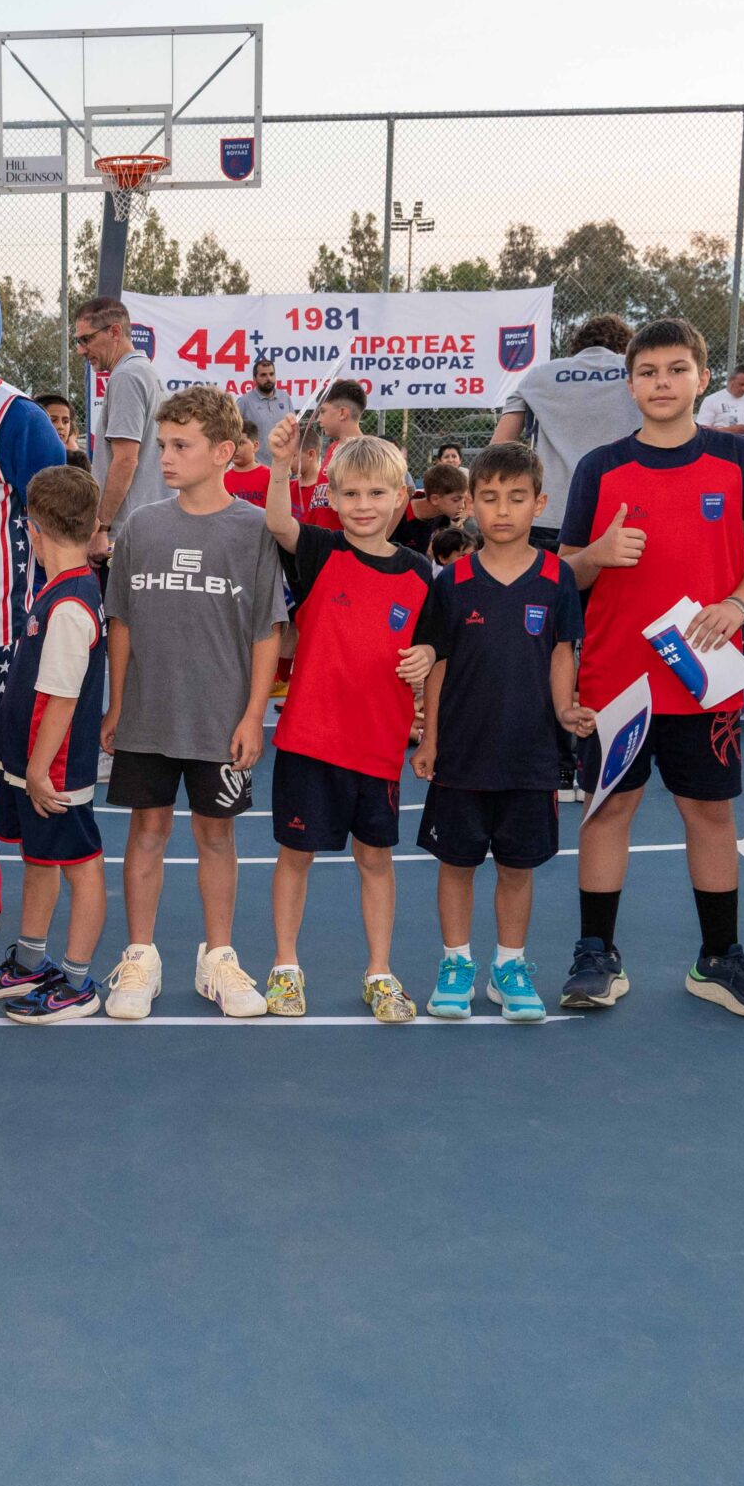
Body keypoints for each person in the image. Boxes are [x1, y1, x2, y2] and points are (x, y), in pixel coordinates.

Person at [557, 317, 744, 1019]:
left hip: (704, 675)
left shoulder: (739, 460)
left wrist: (738, 604)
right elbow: (565, 574)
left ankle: (718, 957)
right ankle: (595, 953)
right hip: (617, 678)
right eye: (648, 372)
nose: (662, 382)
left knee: (710, 812)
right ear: (630, 385)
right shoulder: (600, 467)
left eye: (676, 369)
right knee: (608, 809)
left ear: (702, 378)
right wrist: (597, 556)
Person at [102, 387, 280, 1021]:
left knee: (216, 834)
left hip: (220, 719)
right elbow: (121, 621)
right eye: (163, 445)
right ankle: (140, 958)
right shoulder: (142, 525)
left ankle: (219, 959)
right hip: (148, 713)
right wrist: (117, 705)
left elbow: (267, 630)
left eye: (182, 445)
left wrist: (253, 714)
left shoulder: (254, 530)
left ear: (224, 452)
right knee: (146, 830)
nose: (167, 457)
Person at [411, 441, 593, 1022]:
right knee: (456, 863)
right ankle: (456, 964)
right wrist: (430, 738)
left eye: (516, 498)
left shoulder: (557, 578)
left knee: (517, 866)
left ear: (539, 502)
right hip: (462, 752)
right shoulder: (452, 581)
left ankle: (508, 966)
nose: (503, 510)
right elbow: (438, 663)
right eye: (489, 498)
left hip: (531, 753)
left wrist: (565, 711)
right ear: (470, 505)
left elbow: (562, 653)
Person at [261, 423, 433, 1021]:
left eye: (376, 493)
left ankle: (379, 972)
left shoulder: (419, 573)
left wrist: (426, 654)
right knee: (296, 855)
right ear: (332, 498)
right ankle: (286, 966)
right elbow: (278, 522)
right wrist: (280, 464)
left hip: (377, 746)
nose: (363, 505)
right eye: (351, 494)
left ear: (400, 498)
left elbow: (432, 647)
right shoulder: (320, 550)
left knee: (376, 860)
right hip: (310, 740)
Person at [0, 466, 108, 1025]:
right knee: (40, 859)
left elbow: (62, 698)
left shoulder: (69, 604)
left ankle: (77, 981)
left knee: (80, 865)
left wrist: (42, 769)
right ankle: (30, 961)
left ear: (33, 531)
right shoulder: (62, 590)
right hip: (35, 765)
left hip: (55, 771)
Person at [493, 314, 639, 550]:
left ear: (578, 346)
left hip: (551, 514)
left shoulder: (539, 376)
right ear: (625, 346)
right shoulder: (639, 373)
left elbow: (498, 448)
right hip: (624, 512)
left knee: (550, 576)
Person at [79, 296, 167, 551]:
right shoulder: (142, 370)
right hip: (145, 524)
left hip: (127, 532)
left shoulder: (127, 376)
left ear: (115, 332)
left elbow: (126, 460)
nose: (81, 350)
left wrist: (103, 527)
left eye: (86, 339)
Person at [297, 380, 369, 529]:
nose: (318, 419)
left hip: (343, 539)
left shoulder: (366, 451)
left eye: (323, 411)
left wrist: (375, 536)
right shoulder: (334, 447)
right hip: (321, 536)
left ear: (342, 413)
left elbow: (402, 493)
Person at [392, 460, 468, 561]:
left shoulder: (443, 513)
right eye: (456, 500)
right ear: (435, 499)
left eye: (464, 499)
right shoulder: (399, 514)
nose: (462, 506)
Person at [236, 356, 297, 458]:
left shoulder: (284, 397)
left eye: (271, 374)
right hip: (257, 465)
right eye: (263, 375)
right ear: (254, 378)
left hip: (283, 463)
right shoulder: (244, 402)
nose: (268, 378)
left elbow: (294, 429)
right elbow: (233, 433)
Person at [695, 363, 744, 441]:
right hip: (721, 445)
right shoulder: (712, 400)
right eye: (741, 384)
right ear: (731, 380)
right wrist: (730, 430)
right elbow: (702, 431)